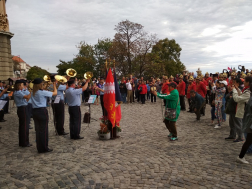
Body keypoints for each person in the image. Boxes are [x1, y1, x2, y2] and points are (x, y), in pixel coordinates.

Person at [31, 78, 57, 153]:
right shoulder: (41, 92)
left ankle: (39, 147)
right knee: (44, 130)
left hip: (35, 111)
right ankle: (44, 148)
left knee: (38, 130)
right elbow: (55, 93)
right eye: (42, 84)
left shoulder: (33, 92)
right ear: (39, 84)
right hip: (42, 111)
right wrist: (54, 86)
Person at [236, 76, 252, 164]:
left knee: (249, 140)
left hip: (249, 120)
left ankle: (241, 156)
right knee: (248, 140)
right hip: (250, 122)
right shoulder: (250, 96)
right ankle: (241, 156)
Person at [13, 80, 32, 147]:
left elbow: (27, 98)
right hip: (22, 109)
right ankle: (24, 142)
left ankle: (24, 141)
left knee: (24, 126)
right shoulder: (17, 92)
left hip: (24, 108)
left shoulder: (20, 91)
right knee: (24, 126)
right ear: (19, 85)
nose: (23, 86)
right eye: (22, 84)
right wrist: (31, 92)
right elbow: (27, 97)